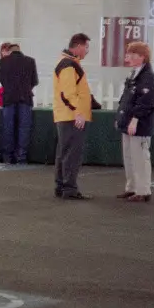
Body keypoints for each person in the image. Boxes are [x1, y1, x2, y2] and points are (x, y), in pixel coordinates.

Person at [116, 41, 154, 203]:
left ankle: (143, 190)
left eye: (133, 55)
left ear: (142, 57)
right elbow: (126, 99)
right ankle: (132, 187)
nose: (128, 57)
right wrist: (121, 119)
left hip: (139, 124)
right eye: (128, 54)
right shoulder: (134, 74)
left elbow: (146, 102)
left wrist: (135, 120)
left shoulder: (148, 78)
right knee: (129, 157)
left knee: (140, 158)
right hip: (127, 122)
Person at [52, 33, 93, 200]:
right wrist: (79, 112)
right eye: (87, 47)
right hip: (71, 116)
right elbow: (68, 93)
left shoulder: (67, 63)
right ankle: (69, 188)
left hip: (66, 115)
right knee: (72, 154)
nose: (87, 51)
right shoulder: (69, 65)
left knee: (64, 152)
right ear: (78, 46)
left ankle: (61, 186)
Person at [0, 42, 38, 164]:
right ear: (20, 50)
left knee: (8, 128)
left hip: (9, 98)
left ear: (10, 51)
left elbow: (1, 79)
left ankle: (7, 157)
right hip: (25, 98)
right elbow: (34, 81)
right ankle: (21, 157)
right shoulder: (30, 61)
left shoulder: (4, 61)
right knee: (23, 129)